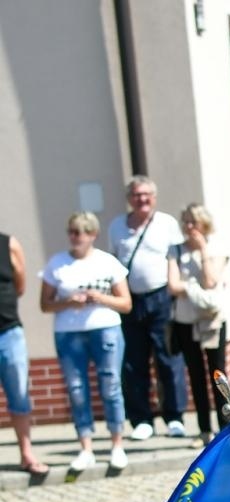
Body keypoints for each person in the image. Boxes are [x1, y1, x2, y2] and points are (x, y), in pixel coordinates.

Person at [38, 212, 133, 472]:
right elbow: (45, 304)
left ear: (92, 234)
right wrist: (69, 302)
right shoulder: (57, 263)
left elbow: (126, 303)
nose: (74, 237)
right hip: (69, 332)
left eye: (80, 232)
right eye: (71, 231)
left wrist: (99, 298)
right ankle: (86, 448)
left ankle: (117, 444)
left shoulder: (107, 262)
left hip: (105, 328)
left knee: (110, 385)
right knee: (77, 389)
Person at [107, 176, 185, 440]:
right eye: (136, 195)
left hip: (161, 298)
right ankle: (141, 419)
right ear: (129, 198)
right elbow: (114, 262)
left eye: (146, 194)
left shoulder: (166, 224)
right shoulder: (117, 226)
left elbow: (176, 259)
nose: (142, 199)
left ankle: (174, 417)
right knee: (134, 362)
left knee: (167, 358)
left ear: (154, 197)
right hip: (131, 300)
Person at [166, 204, 229, 445]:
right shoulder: (175, 250)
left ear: (204, 223)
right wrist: (194, 287)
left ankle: (226, 429)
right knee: (195, 374)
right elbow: (173, 286)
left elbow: (211, 281)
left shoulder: (216, 247)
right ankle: (204, 430)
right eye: (185, 222)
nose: (188, 226)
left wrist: (203, 250)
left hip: (212, 320)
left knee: (218, 374)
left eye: (193, 221)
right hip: (186, 320)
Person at [0, 230, 47, 476]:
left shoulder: (8, 244)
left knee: (19, 394)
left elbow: (20, 286)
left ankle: (27, 455)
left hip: (8, 330)